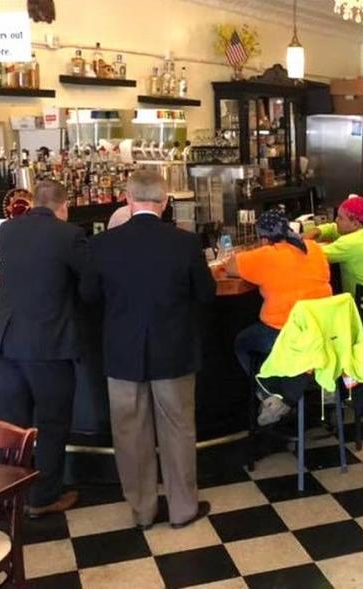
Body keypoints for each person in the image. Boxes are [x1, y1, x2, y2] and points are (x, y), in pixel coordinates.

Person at [80, 170, 216, 530]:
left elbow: (89, 295)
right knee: (178, 430)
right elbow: (206, 293)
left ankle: (142, 511)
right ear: (166, 201)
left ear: (126, 198)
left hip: (122, 353)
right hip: (174, 351)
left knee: (129, 434)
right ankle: (183, 508)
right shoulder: (185, 243)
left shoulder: (101, 245)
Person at [0, 180, 86, 518]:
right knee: (53, 422)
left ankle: (12, 496)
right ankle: (43, 498)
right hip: (48, 343)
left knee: (15, 427)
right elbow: (88, 282)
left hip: (6, 342)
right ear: (63, 205)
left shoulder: (7, 232)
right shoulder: (68, 235)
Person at [228, 211, 333, 425]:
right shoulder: (313, 248)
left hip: (285, 334)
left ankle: (272, 396)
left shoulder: (266, 255)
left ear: (264, 238)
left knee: (242, 342)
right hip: (321, 333)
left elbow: (230, 265)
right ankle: (315, 380)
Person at [308, 196, 363, 317]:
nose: (336, 220)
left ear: (355, 223)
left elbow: (313, 254)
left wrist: (301, 241)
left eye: (340, 217)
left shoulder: (352, 243)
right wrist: (318, 230)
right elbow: (334, 228)